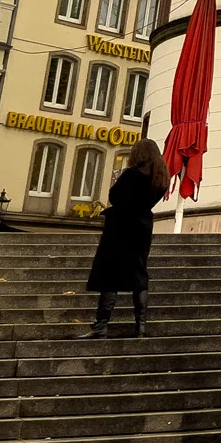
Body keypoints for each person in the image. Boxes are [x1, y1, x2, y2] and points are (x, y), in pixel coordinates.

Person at [85, 138, 168, 338]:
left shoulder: (131, 174)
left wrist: (117, 183)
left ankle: (101, 325)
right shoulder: (160, 178)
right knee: (139, 274)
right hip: (142, 228)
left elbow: (115, 197)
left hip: (121, 227)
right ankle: (140, 326)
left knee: (110, 275)